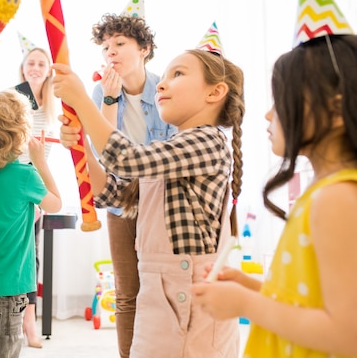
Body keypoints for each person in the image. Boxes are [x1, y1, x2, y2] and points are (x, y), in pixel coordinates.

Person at [53, 46, 245, 357]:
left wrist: (83, 102)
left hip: (189, 304)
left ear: (215, 92)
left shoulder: (208, 141)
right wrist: (83, 148)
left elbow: (127, 159)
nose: (161, 84)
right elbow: (113, 193)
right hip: (158, 298)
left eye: (178, 74)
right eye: (165, 75)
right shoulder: (170, 149)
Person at [192, 35, 357, 357]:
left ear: (336, 110)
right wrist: (247, 286)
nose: (269, 115)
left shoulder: (337, 199)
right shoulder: (324, 193)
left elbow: (347, 334)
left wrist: (245, 304)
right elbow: (306, 300)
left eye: (281, 100)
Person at [89, 13, 175, 358]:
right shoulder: (101, 91)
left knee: (163, 287)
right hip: (120, 199)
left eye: (120, 43)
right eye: (106, 46)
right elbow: (103, 152)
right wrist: (109, 99)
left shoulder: (167, 87)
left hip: (163, 198)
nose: (111, 52)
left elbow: (175, 144)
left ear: (145, 49)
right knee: (127, 292)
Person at [0, 89, 62, 358]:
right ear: (19, 135)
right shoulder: (24, 176)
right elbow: (56, 203)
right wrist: (39, 162)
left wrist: (25, 214)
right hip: (4, 297)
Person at [17, 46, 57, 348]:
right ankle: (19, 319)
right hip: (15, 180)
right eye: (31, 62)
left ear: (49, 69)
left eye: (41, 63)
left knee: (32, 256)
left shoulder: (54, 104)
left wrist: (39, 197)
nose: (35, 67)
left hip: (37, 180)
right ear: (23, 67)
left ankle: (30, 322)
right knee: (15, 253)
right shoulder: (15, 98)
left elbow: (47, 152)